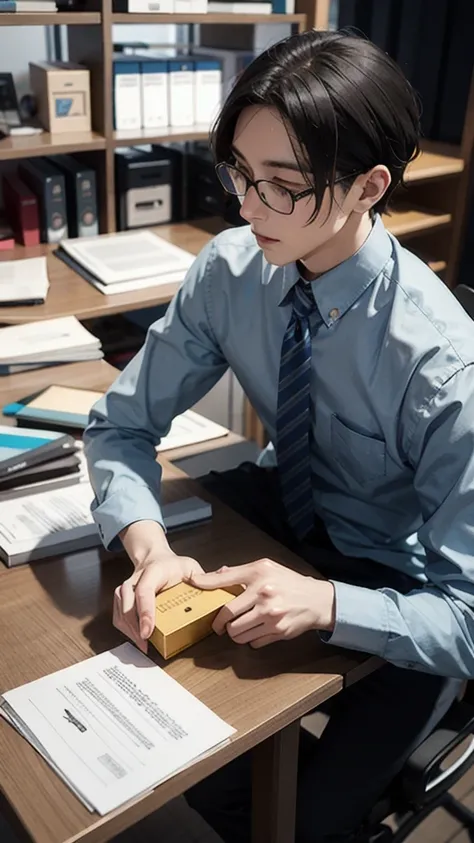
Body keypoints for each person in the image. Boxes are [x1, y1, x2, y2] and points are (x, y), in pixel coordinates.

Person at [84, 28, 474, 843]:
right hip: (283, 511)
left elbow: (467, 615)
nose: (247, 206)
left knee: (296, 821)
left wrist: (331, 603)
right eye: (240, 173)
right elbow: (121, 425)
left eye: (282, 186)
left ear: (369, 186)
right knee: (127, 680)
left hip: (395, 579)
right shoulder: (232, 269)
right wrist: (152, 549)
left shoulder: (442, 365)